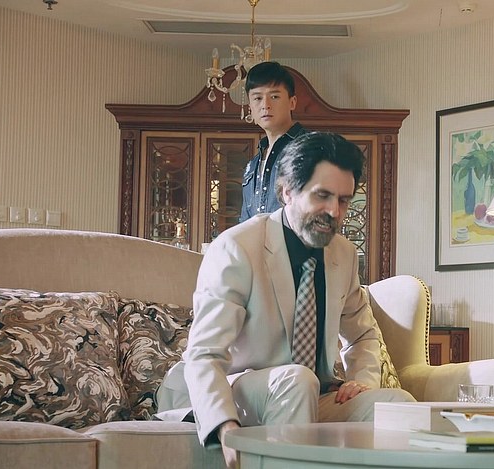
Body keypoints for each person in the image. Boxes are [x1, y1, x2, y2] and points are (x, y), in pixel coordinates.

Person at [156, 132, 415, 469]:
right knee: (297, 380)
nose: (334, 211)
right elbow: (204, 354)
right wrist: (226, 427)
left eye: (343, 200)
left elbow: (363, 335)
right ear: (287, 191)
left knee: (396, 404)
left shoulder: (345, 254)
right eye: (322, 195)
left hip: (310, 392)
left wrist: (362, 382)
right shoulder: (237, 248)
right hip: (236, 388)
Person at [239, 61, 308, 223]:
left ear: (292, 102)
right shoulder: (253, 164)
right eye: (257, 98)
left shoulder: (310, 148)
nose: (265, 105)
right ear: (250, 107)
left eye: (274, 97)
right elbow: (245, 221)